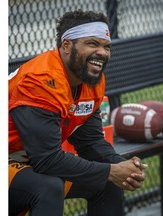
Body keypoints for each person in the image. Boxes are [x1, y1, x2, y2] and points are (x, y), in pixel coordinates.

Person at [9, 10, 148, 216]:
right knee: (48, 187)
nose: (102, 52)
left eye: (106, 46)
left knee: (106, 183)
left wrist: (122, 166)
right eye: (92, 44)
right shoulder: (40, 80)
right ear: (67, 45)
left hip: (25, 159)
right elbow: (46, 159)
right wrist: (111, 171)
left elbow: (90, 142)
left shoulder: (91, 79)